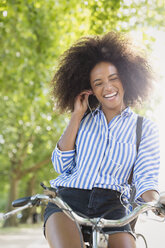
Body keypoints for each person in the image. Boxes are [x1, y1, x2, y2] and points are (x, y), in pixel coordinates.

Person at [44, 32, 164, 248]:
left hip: (114, 206)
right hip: (69, 201)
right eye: (98, 83)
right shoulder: (82, 120)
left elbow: (145, 178)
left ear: (126, 78)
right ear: (91, 90)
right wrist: (76, 115)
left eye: (113, 78)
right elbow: (61, 165)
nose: (107, 87)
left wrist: (155, 203)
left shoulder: (144, 129)